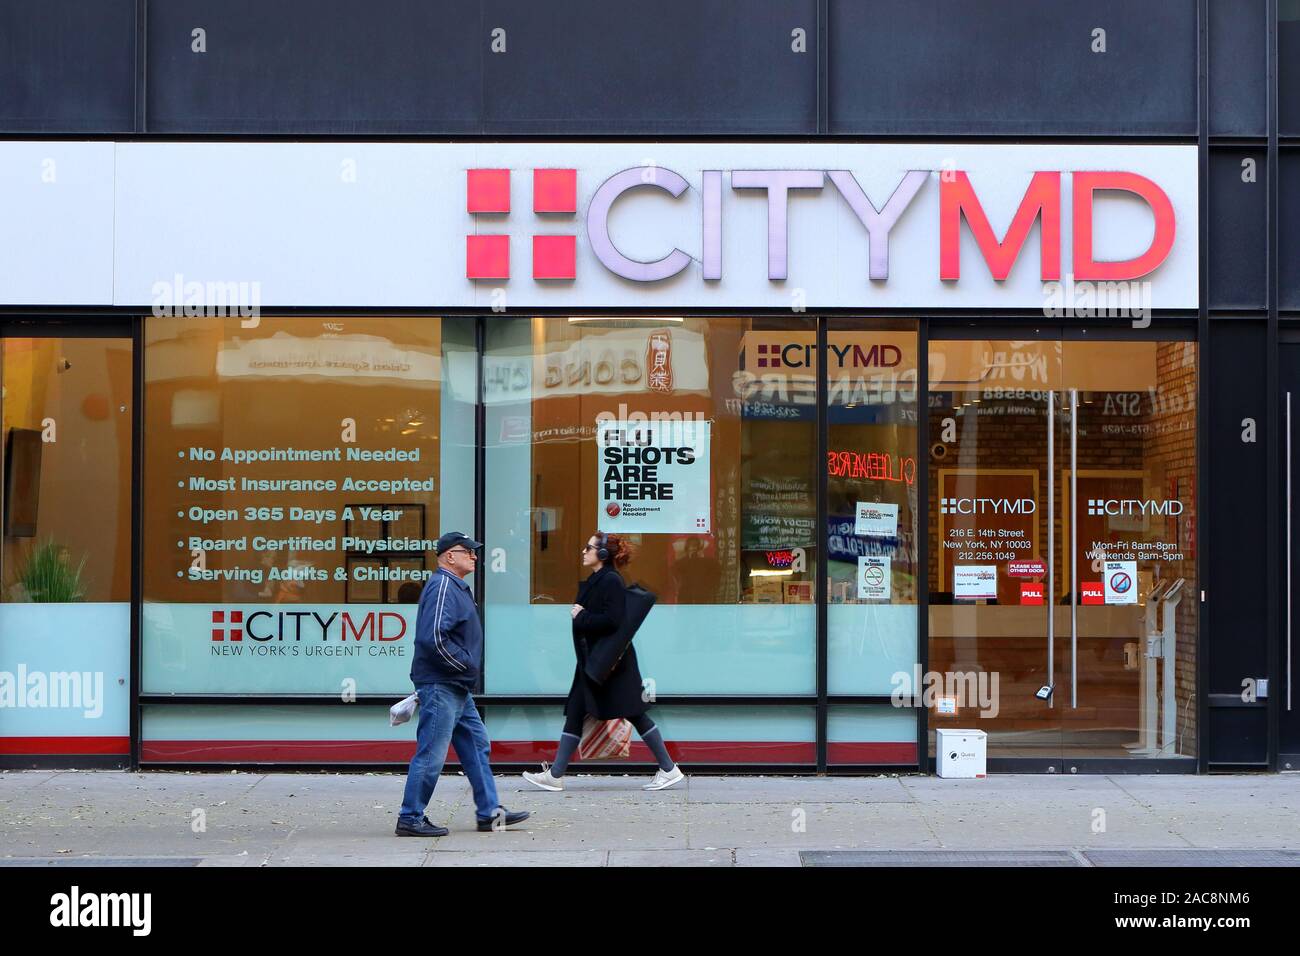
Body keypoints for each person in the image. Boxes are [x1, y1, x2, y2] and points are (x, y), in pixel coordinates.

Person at [522, 530, 683, 792]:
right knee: (576, 712)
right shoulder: (600, 579)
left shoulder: (611, 581)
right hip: (595, 662)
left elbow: (613, 621)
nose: (583, 552)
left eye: (589, 548)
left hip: (611, 665)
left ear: (603, 554)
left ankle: (669, 769)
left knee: (635, 713)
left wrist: (582, 616)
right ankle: (555, 775)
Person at [396, 531, 530, 836]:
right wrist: (464, 666)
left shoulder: (455, 586)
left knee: (476, 744)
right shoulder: (443, 585)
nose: (474, 555)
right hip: (443, 684)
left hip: (455, 685)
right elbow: (433, 638)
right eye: (467, 550)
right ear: (449, 556)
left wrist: (463, 673)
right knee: (431, 753)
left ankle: (489, 812)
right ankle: (410, 817)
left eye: (474, 551)